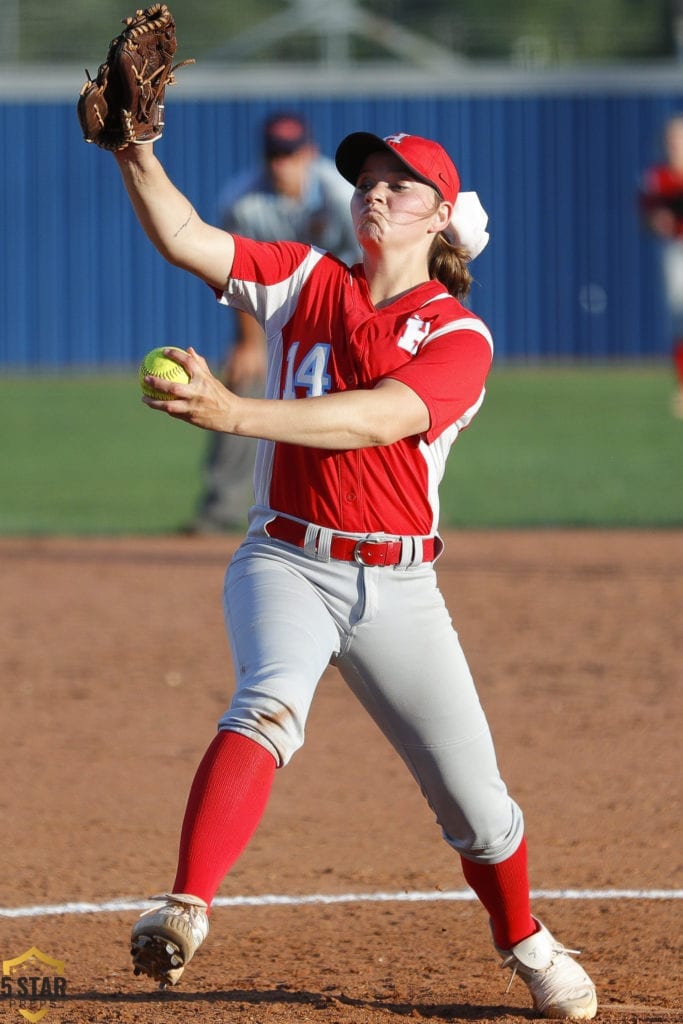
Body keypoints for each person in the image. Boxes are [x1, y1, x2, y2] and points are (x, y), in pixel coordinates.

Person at [111, 127, 598, 1019]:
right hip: (283, 557)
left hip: (398, 588)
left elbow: (380, 419)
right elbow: (184, 235)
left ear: (441, 218)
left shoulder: (459, 335)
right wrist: (134, 153)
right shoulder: (304, 279)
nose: (375, 192)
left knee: (477, 806)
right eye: (368, 179)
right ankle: (184, 908)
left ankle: (524, 939)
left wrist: (233, 411)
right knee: (268, 701)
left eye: (400, 185)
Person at [189, 112, 359, 532]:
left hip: (349, 306)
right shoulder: (243, 200)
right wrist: (249, 344)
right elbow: (237, 278)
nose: (281, 163)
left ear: (309, 153)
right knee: (242, 381)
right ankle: (219, 511)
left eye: (290, 153)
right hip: (276, 309)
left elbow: (372, 262)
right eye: (274, 154)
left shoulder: (342, 193)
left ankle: (372, 512)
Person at [639, 113, 683, 418]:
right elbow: (648, 217)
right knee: (680, 318)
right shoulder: (658, 177)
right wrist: (656, 222)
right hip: (676, 250)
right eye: (671, 139)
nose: (674, 144)